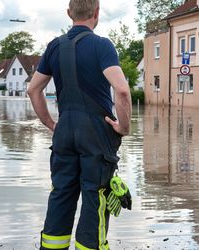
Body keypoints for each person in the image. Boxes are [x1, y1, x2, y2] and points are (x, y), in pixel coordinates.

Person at [27, 0, 132, 249]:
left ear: (69, 14)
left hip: (64, 131)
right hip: (97, 133)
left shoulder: (54, 47)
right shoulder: (101, 45)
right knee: (95, 194)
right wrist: (124, 127)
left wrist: (51, 124)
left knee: (61, 193)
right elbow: (122, 90)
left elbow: (33, 90)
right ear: (96, 13)